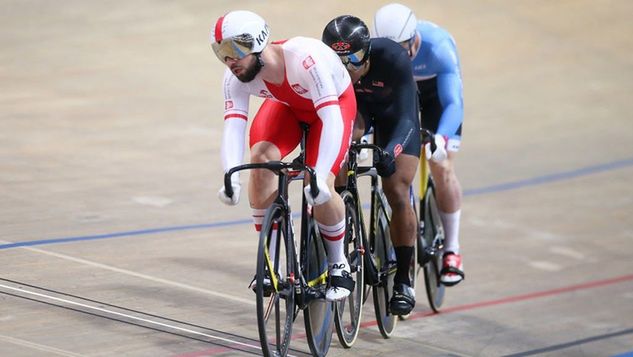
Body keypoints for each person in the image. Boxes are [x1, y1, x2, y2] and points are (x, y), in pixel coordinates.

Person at [211, 10, 356, 301]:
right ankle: (272, 263)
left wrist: (320, 176)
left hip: (332, 109)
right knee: (260, 160)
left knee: (320, 184)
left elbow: (330, 119)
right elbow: (233, 127)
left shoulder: (305, 59)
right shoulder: (235, 78)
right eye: (220, 52)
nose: (229, 61)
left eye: (234, 49)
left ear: (258, 41)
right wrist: (231, 177)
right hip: (288, 107)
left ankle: (339, 263)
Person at [322, 15, 421, 315]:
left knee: (396, 188)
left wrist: (392, 151)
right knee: (339, 147)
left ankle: (404, 280)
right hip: (359, 110)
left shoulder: (392, 57)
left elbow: (407, 118)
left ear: (367, 53)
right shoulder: (329, 68)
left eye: (353, 59)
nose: (346, 68)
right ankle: (345, 213)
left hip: (395, 116)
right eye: (339, 60)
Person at [373, 3, 465, 286]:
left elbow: (452, 103)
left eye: (401, 49)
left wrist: (442, 138)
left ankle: (452, 249)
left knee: (441, 165)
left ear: (414, 40)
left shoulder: (438, 48)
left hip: (433, 94)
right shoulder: (378, 52)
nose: (395, 57)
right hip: (398, 96)